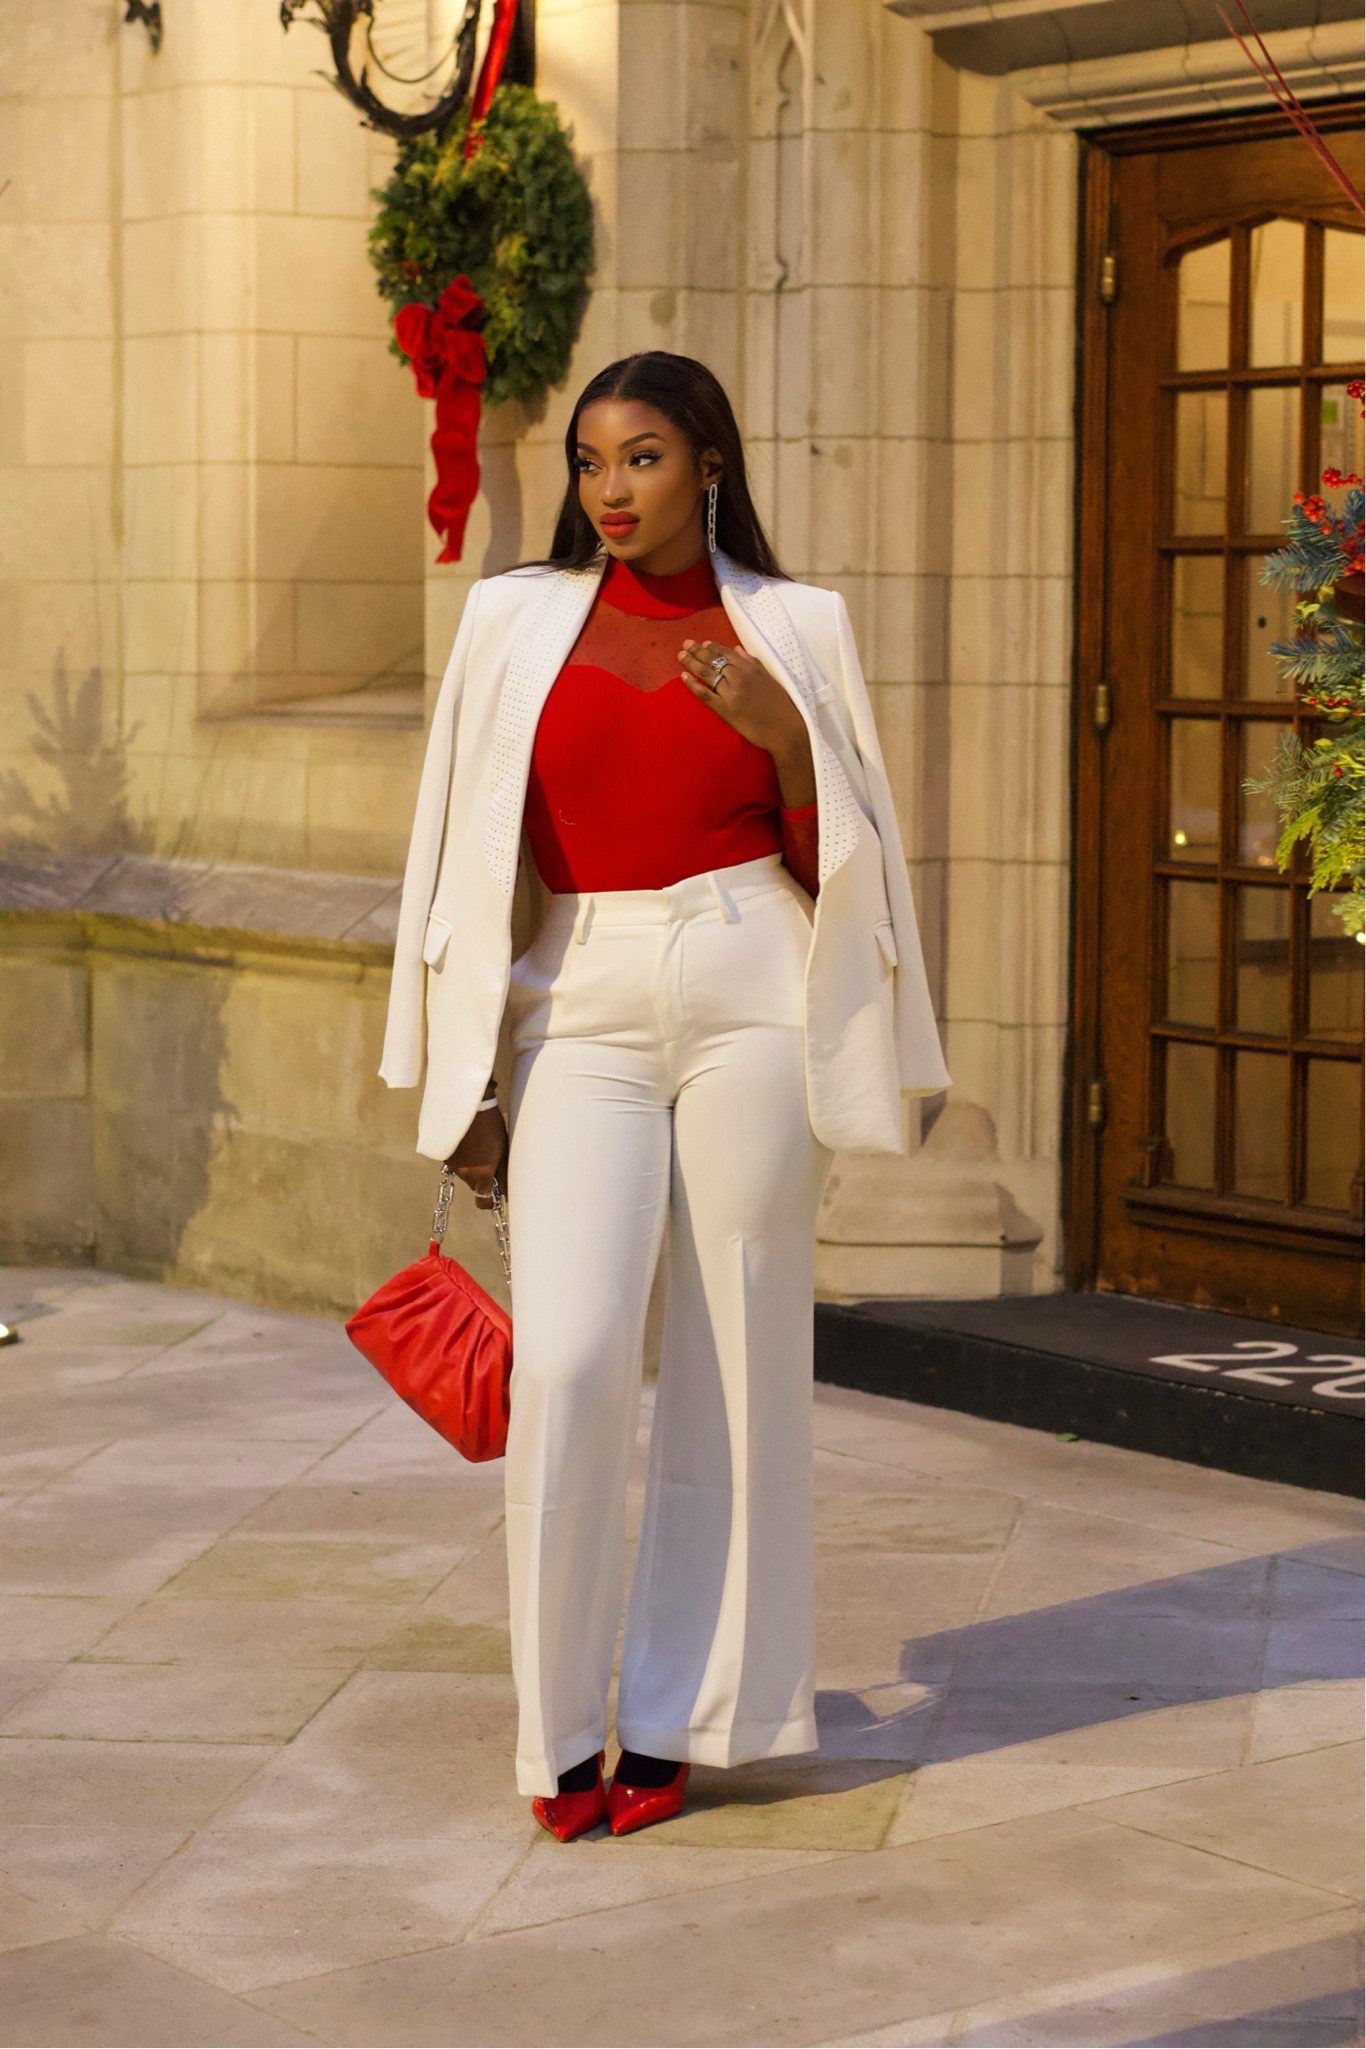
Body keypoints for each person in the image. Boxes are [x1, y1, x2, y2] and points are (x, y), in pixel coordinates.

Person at [380, 351, 950, 1840]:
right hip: (578, 988)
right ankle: (557, 1727)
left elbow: (848, 861)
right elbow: (457, 848)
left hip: (750, 966)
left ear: (708, 459)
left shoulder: (797, 625)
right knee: (566, 1357)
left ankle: (685, 1711)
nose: (609, 490)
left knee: (740, 1346)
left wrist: (786, 741)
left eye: (640, 458)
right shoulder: (510, 619)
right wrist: (469, 1077)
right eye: (588, 462)